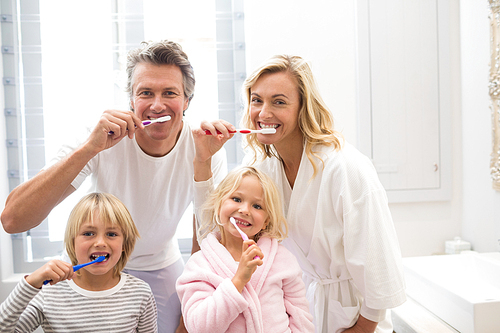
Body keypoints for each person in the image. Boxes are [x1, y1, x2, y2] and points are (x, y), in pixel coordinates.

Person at [0, 40, 227, 333]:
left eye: (169, 93)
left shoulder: (204, 147)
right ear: (131, 100)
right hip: (91, 262)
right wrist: (89, 149)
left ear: (187, 101)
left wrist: (189, 314)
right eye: (146, 93)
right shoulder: (98, 137)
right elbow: (13, 220)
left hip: (158, 265)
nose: (157, 104)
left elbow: (206, 235)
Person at [191, 55, 406, 333]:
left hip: (356, 316)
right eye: (257, 100)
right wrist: (203, 160)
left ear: (303, 108)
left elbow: (379, 261)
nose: (264, 113)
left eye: (278, 102)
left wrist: (362, 328)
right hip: (300, 311)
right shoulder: (260, 168)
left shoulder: (346, 168)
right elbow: (216, 229)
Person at [176, 166, 314, 333]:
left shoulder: (282, 259)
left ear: (266, 221)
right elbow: (199, 327)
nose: (244, 210)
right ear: (218, 205)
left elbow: (301, 318)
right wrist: (238, 280)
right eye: (236, 199)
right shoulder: (198, 266)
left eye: (257, 206)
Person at [0, 192, 157, 332]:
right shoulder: (49, 294)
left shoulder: (140, 293)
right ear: (72, 242)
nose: (100, 242)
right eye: (88, 233)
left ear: (124, 244)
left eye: (111, 234)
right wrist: (31, 282)